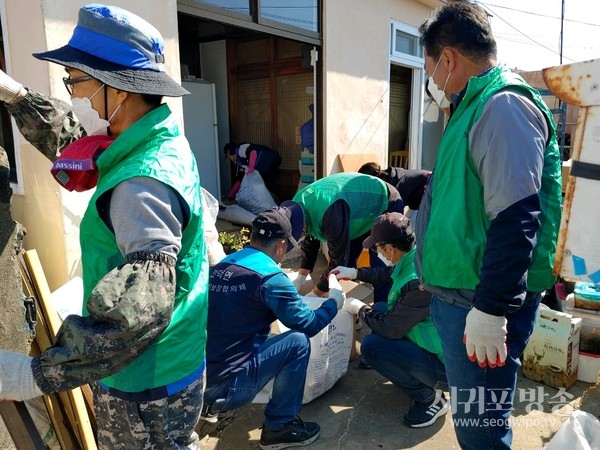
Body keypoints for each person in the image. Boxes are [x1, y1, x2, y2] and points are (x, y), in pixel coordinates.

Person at [0, 5, 209, 449]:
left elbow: (137, 314)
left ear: (118, 90)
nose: (71, 93)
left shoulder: (140, 183)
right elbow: (80, 146)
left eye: (75, 81)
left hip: (146, 378)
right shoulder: (155, 137)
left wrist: (37, 374)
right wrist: (18, 97)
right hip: (177, 356)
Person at [415, 3, 562, 449]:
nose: (431, 81)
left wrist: (492, 308)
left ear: (448, 59)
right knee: (477, 423)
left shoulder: (503, 107)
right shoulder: (472, 106)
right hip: (462, 294)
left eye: (428, 67)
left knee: (481, 431)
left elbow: (517, 216)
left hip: (478, 303)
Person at [204, 202, 345, 450]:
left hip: (196, 382)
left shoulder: (222, 266)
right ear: (281, 245)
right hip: (226, 388)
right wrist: (333, 302)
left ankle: (210, 404)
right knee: (297, 342)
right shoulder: (270, 278)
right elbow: (309, 324)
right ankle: (279, 427)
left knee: (262, 334)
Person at [333, 212, 447, 429]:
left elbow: (391, 328)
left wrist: (359, 308)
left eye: (377, 247)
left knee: (372, 347)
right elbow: (387, 275)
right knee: (382, 308)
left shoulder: (418, 281)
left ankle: (430, 398)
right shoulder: (415, 256)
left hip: (446, 363)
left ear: (390, 249)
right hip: (430, 337)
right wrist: (355, 272)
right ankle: (415, 376)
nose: (377, 252)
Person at [292, 172, 404, 300]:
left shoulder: (330, 214)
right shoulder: (297, 206)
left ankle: (383, 308)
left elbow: (338, 259)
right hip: (354, 211)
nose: (300, 236)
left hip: (383, 201)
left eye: (299, 233)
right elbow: (310, 238)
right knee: (350, 259)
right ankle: (349, 292)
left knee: (381, 261)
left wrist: (315, 294)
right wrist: (301, 276)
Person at [358, 162, 431, 211]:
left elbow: (396, 213)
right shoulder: (393, 176)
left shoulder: (397, 187)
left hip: (429, 197)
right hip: (418, 201)